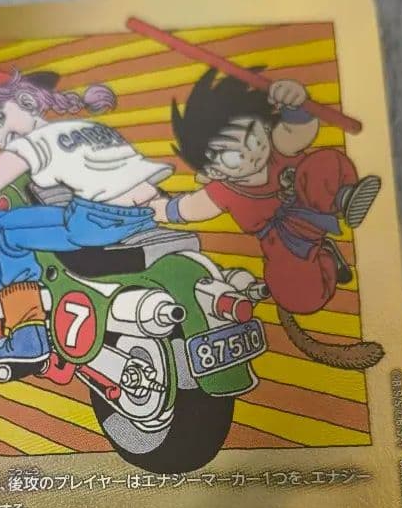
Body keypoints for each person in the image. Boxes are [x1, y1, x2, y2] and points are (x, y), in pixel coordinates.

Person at [0, 68, 172, 368]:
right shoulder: (88, 127)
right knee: (44, 217)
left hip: (96, 222)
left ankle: (26, 337)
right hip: (146, 211)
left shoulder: (32, 144)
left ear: (22, 102)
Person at [154, 68, 384, 369]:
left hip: (315, 202)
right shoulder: (222, 190)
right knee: (295, 293)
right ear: (212, 170)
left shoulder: (278, 148)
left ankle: (345, 197)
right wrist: (160, 208)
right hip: (285, 240)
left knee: (321, 165)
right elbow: (188, 208)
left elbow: (298, 131)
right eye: (233, 155)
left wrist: (294, 104)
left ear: (265, 125)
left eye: (254, 137)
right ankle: (325, 263)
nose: (251, 153)